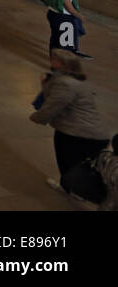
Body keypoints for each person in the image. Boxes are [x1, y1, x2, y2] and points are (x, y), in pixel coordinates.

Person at [30, 51, 110, 190]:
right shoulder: (79, 80)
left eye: (55, 58)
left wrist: (36, 117)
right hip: (94, 132)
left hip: (77, 132)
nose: (51, 60)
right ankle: (78, 190)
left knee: (68, 163)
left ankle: (72, 189)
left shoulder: (65, 83)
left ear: (63, 63)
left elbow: (53, 105)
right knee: (85, 167)